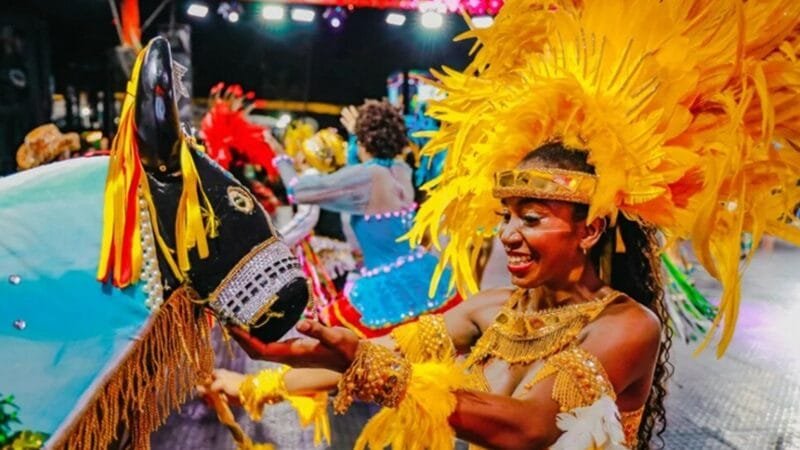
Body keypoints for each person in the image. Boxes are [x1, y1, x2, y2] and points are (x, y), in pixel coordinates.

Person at [204, 1, 800, 449]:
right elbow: (377, 354)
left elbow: (531, 427)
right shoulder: (490, 310)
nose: (509, 234)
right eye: (506, 218)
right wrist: (276, 364)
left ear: (589, 230)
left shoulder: (627, 326)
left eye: (532, 218)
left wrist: (362, 362)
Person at [269, 99, 457, 338]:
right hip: (421, 273)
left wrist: (281, 158)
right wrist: (359, 135)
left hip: (386, 286)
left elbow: (298, 190)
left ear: (364, 141)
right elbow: (357, 170)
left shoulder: (366, 177)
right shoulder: (401, 170)